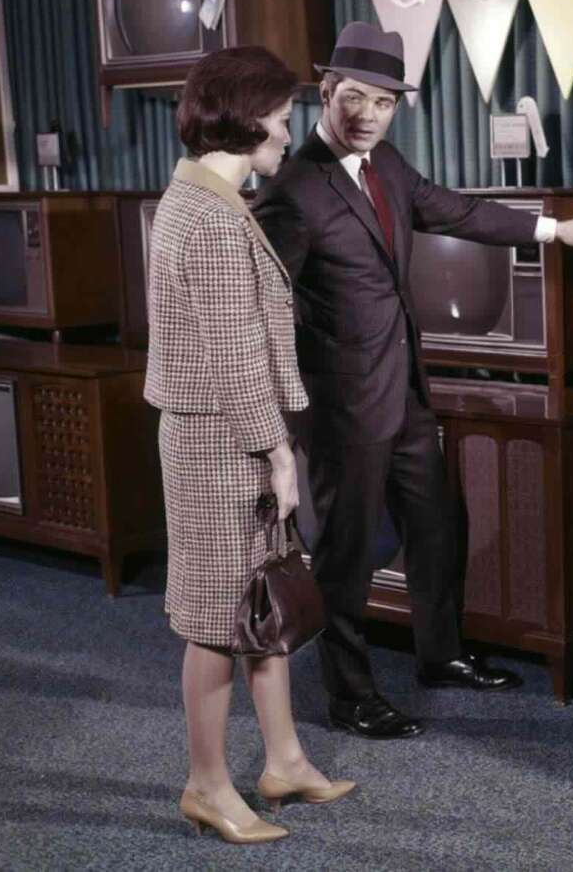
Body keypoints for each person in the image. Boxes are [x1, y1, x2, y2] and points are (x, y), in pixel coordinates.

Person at [253, 22, 573, 739]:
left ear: (396, 110)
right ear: (325, 93)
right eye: (353, 97)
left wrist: (554, 229)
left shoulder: (387, 163)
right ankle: (350, 695)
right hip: (341, 406)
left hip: (408, 391)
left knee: (438, 525)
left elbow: (459, 211)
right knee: (347, 556)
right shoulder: (294, 190)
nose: (367, 115)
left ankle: (439, 655)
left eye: (384, 103)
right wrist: (278, 422)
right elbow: (264, 307)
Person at [145, 47, 354, 843]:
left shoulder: (208, 198)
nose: (288, 127)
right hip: (219, 443)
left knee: (261, 603)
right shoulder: (208, 215)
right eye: (280, 113)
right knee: (214, 622)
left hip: (226, 432)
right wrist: (279, 453)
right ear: (244, 118)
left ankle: (286, 761)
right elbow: (235, 357)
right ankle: (205, 784)